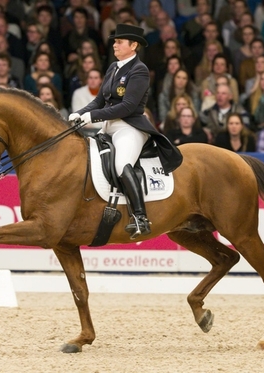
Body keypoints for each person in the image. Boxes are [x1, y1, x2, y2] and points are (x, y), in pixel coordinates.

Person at [69, 24, 183, 239]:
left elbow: (128, 106)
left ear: (134, 45)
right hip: (108, 128)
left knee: (122, 165)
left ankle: (140, 217)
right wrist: (79, 113)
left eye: (119, 41)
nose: (114, 44)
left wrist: (91, 117)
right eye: (114, 41)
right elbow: (99, 100)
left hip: (130, 127)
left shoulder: (139, 70)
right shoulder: (113, 67)